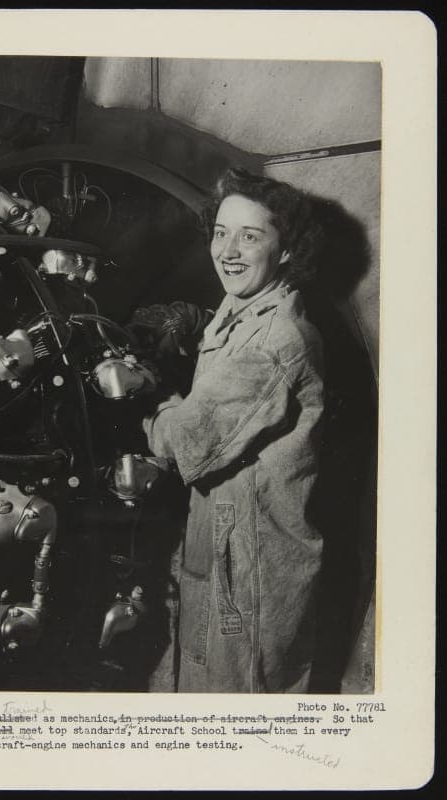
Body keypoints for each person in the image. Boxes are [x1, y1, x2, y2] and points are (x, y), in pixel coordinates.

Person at [142, 168, 325, 692]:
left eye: (251, 236)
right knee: (191, 679)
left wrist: (150, 404)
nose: (229, 249)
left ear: (286, 249)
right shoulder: (242, 308)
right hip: (221, 535)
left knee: (237, 701)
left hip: (250, 560)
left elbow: (186, 445)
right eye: (221, 233)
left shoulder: (276, 338)